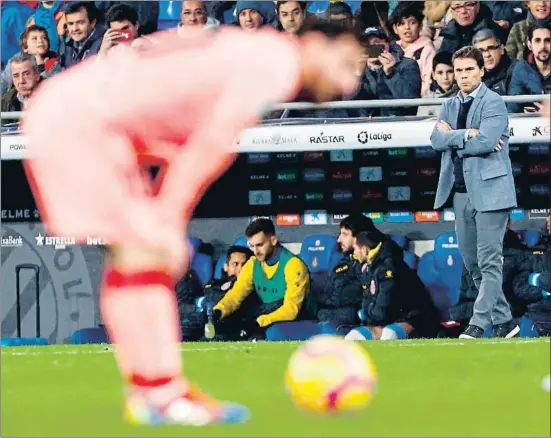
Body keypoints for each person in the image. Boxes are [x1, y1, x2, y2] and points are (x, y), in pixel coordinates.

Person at [22, 22, 363, 426]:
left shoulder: (246, 50)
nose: (348, 83)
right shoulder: (274, 62)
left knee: (138, 256)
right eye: (345, 63)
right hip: (83, 124)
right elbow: (209, 146)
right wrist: (169, 215)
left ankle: (151, 391)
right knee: (147, 250)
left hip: (73, 114)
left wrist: (163, 213)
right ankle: (164, 393)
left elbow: (174, 122)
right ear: (314, 42)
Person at [430, 45, 519, 340]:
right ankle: (505, 321)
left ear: (481, 71)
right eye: (459, 70)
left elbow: (486, 143)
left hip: (493, 191)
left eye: (469, 69)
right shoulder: (449, 105)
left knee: (489, 261)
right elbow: (435, 140)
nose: (463, 75)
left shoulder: (493, 102)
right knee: (472, 263)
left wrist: (455, 137)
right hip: (460, 191)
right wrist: (468, 134)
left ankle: (479, 324)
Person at [212, 218, 316, 340]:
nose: (255, 251)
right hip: (266, 316)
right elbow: (236, 295)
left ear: (273, 240)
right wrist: (218, 311)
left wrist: (258, 322)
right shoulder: (252, 263)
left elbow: (291, 310)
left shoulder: (293, 265)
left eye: (260, 245)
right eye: (252, 246)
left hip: (298, 319)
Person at [344, 230, 440, 341]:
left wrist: (366, 313)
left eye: (355, 249)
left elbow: (384, 307)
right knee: (353, 336)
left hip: (415, 317)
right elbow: (369, 302)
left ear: (364, 249)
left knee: (390, 334)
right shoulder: (366, 269)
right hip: (387, 320)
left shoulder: (391, 267)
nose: (353, 254)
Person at [201, 245, 253, 341]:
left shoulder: (252, 289)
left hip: (234, 333)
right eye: (235, 264)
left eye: (244, 265)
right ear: (226, 267)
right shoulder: (212, 285)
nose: (240, 269)